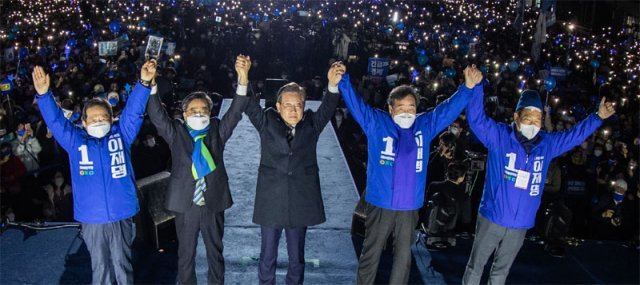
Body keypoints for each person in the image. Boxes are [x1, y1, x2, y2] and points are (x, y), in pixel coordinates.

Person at [338, 66, 481, 284]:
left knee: (403, 257)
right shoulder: (377, 123)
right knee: (371, 252)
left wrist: (467, 88)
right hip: (381, 202)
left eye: (411, 107)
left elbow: (446, 110)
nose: (407, 112)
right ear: (390, 108)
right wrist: (343, 80)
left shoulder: (424, 125)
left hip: (409, 206)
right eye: (401, 107)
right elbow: (357, 105)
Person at [462, 86, 616, 285]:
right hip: (493, 216)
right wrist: (475, 89)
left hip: (521, 224)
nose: (533, 123)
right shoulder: (499, 136)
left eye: (537, 118)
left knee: (501, 271)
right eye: (528, 117)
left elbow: (574, 136)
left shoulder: (547, 144)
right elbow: (476, 120)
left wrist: (597, 117)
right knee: (476, 266)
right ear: (517, 117)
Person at [32, 60, 157, 284]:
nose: (99, 121)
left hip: (121, 212)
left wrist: (144, 83)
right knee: (100, 266)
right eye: (94, 118)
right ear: (84, 121)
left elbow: (134, 111)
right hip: (92, 217)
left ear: (112, 119)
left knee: (122, 263)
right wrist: (43, 95)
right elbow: (56, 121)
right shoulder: (75, 141)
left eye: (104, 118)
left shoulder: (122, 135)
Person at [146, 55, 251, 284]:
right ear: (184, 114)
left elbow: (235, 112)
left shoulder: (217, 131)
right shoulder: (176, 133)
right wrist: (151, 85)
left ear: (210, 113)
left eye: (203, 109)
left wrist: (243, 79)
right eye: (193, 110)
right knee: (186, 255)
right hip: (186, 203)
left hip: (213, 201)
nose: (198, 113)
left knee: (215, 254)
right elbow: (156, 115)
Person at [244, 62, 345, 285]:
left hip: (300, 202)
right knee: (267, 256)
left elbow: (328, 107)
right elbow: (250, 105)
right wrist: (243, 77)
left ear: (304, 105)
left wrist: (332, 85)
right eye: (288, 105)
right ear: (278, 106)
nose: (293, 110)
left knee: (297, 258)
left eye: (298, 105)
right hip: (271, 202)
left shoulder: (312, 124)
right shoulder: (266, 122)